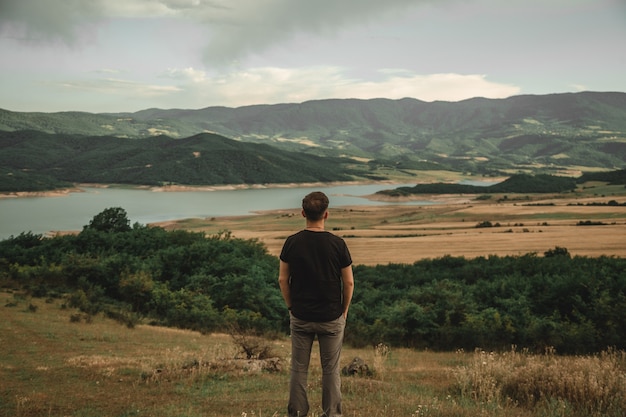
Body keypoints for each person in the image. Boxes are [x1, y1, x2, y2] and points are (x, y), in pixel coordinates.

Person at [278, 191, 355, 417]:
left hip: (301, 316)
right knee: (330, 370)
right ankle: (332, 414)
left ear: (303, 213)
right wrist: (344, 311)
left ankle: (298, 413)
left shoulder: (291, 243)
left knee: (298, 369)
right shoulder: (338, 244)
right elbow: (349, 282)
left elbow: (283, 280)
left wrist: (292, 307)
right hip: (331, 317)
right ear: (326, 214)